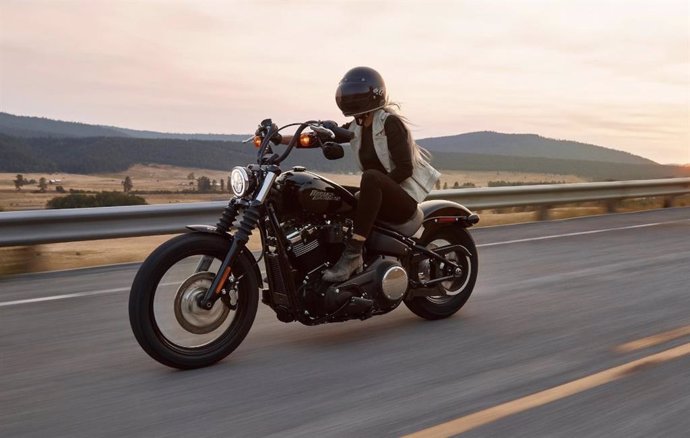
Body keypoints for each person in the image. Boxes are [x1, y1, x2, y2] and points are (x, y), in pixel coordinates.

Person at [320, 66, 442, 282]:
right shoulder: (357, 125)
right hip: (383, 194)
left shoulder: (389, 123)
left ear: (372, 94)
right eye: (348, 93)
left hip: (403, 201)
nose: (350, 98)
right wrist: (277, 138)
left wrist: (378, 188)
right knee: (334, 194)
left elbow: (405, 169)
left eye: (356, 93)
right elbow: (317, 138)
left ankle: (353, 254)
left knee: (371, 177)